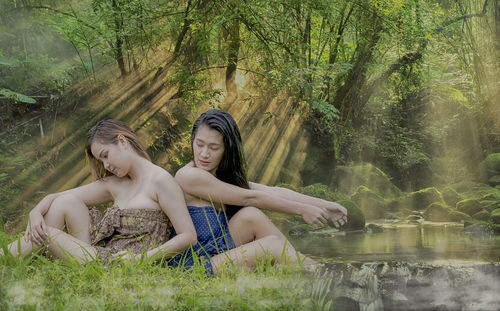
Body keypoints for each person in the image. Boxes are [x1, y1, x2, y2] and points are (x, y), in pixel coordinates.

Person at [169, 109, 347, 274]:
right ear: (192, 141)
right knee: (271, 245)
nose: (204, 154)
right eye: (199, 144)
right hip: (193, 265)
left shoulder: (218, 175)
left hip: (215, 251)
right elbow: (250, 198)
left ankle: (309, 271)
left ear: (226, 150)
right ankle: (324, 276)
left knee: (250, 216)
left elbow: (271, 191)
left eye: (214, 148)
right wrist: (301, 210)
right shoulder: (189, 176)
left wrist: (324, 205)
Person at [1, 119, 197, 264]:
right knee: (66, 202)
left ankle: (10, 259)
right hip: (98, 254)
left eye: (105, 155)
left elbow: (188, 235)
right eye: (101, 161)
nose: (107, 165)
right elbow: (55, 197)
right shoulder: (115, 184)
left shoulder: (161, 181)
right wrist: (35, 212)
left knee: (49, 235)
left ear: (122, 141)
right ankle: (30, 262)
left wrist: (141, 259)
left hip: (121, 264)